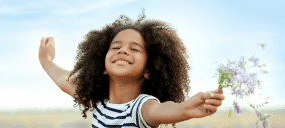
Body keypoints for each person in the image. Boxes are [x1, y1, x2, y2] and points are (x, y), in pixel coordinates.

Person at [38, 14, 225, 128]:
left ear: (149, 71)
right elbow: (65, 81)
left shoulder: (141, 108)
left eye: (134, 49)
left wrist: (184, 109)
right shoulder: (101, 105)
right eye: (115, 47)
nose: (123, 50)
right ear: (102, 67)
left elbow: (159, 111)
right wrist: (45, 60)